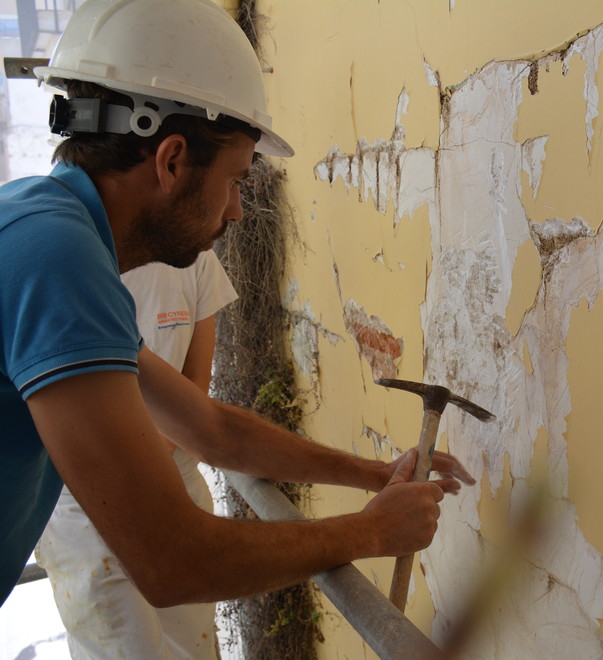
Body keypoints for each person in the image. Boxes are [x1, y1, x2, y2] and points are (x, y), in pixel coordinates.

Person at [0, 0, 475, 609]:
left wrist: (374, 476)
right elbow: (174, 561)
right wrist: (373, 531)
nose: (235, 212)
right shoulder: (55, 257)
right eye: (235, 180)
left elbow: (208, 427)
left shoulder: (46, 231)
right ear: (171, 161)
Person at [36, 251, 237, 659]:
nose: (234, 209)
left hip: (177, 484)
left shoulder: (196, 260)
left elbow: (195, 385)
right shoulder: (63, 254)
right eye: (230, 184)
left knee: (193, 646)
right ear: (164, 180)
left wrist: (154, 456)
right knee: (123, 649)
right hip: (85, 499)